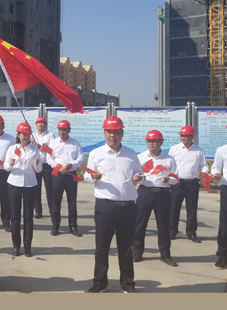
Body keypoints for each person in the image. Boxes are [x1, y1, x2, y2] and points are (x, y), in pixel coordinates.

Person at [84, 116, 143, 293]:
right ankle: (99, 283)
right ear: (104, 133)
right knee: (102, 246)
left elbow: (140, 174)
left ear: (122, 133)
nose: (113, 135)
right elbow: (87, 176)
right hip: (105, 207)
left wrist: (138, 178)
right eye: (109, 132)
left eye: (116, 132)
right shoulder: (96, 154)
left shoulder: (131, 154)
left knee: (126, 247)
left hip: (128, 207)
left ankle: (128, 283)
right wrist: (92, 176)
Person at [133, 130, 179, 267]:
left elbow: (176, 178)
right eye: (149, 141)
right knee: (139, 224)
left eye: (154, 141)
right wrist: (137, 178)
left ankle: (165, 255)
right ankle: (137, 252)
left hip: (163, 193)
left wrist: (168, 179)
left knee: (164, 225)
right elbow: (134, 176)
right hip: (145, 192)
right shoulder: (140, 157)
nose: (151, 144)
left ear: (161, 142)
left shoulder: (169, 159)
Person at [4, 122, 42, 257]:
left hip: (30, 185)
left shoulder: (35, 150)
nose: (25, 137)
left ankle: (27, 246)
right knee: (15, 216)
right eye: (23, 134)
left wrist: (36, 165)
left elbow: (39, 169)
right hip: (14, 183)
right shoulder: (12, 149)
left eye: (27, 135)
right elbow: (6, 167)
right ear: (18, 135)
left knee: (28, 217)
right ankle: (16, 246)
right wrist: (11, 163)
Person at [168, 125, 209, 243]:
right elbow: (169, 164)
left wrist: (205, 171)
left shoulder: (198, 151)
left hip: (192, 183)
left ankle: (191, 232)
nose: (183, 138)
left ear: (192, 137)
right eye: (181, 136)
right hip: (178, 183)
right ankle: (172, 231)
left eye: (185, 136)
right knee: (174, 207)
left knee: (192, 209)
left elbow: (203, 165)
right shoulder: (174, 149)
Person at [46, 120, 84, 237]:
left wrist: (72, 165)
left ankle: (73, 226)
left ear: (69, 130)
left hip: (71, 174)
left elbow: (81, 158)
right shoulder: (53, 143)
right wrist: (59, 167)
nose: (62, 132)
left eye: (64, 130)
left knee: (72, 201)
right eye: (60, 130)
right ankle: (55, 225)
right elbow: (49, 158)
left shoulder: (75, 143)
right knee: (56, 200)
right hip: (57, 173)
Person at [210, 119, 227, 270]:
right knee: (225, 223)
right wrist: (216, 173)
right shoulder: (222, 150)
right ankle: (222, 256)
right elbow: (215, 167)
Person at [32, 117, 55, 219]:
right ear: (36, 125)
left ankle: (52, 211)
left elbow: (52, 149)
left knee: (50, 190)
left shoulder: (50, 135)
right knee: (36, 190)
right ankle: (38, 211)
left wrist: (41, 146)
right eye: (39, 123)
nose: (40, 125)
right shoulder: (33, 135)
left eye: (42, 123)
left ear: (45, 125)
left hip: (47, 166)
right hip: (36, 165)